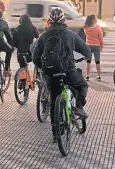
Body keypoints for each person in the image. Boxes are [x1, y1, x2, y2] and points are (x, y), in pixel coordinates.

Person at [32, 8, 91, 142]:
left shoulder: (44, 36)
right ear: (64, 21)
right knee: (82, 85)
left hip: (51, 73)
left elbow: (35, 58)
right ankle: (79, 107)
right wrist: (87, 56)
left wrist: (45, 67)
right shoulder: (70, 35)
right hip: (68, 71)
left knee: (54, 101)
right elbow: (86, 50)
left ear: (49, 22)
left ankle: (55, 133)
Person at [83, 14, 104, 81]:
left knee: (88, 62)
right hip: (96, 46)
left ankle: (87, 76)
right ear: (93, 20)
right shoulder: (98, 27)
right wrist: (101, 45)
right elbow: (101, 37)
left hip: (88, 45)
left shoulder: (86, 27)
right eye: (95, 18)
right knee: (97, 61)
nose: (96, 19)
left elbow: (86, 35)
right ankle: (99, 75)